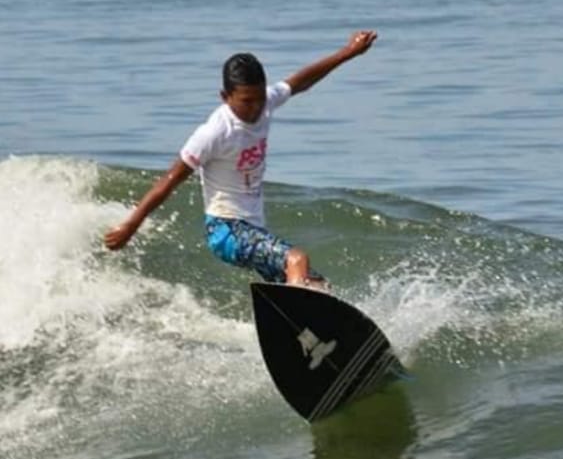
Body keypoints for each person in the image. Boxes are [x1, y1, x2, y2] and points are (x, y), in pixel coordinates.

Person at [103, 30, 379, 290]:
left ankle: (304, 323)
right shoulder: (214, 133)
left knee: (317, 285)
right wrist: (131, 225)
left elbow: (301, 81)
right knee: (297, 260)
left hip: (254, 230)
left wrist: (348, 52)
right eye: (246, 101)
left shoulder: (265, 102)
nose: (255, 108)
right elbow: (170, 180)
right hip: (226, 230)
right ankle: (301, 312)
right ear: (225, 97)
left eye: (259, 99)